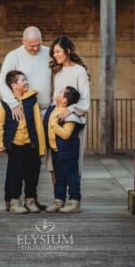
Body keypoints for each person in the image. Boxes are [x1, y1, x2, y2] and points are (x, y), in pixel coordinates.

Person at [0, 26, 51, 211]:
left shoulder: (49, 53)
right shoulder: (13, 56)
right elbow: (2, 83)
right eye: (31, 46)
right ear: (23, 41)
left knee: (34, 165)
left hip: (43, 110)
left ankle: (31, 198)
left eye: (38, 45)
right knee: (16, 168)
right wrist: (13, 103)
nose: (36, 49)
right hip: (21, 110)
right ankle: (13, 199)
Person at [0, 70, 46, 214]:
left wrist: (41, 146)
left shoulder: (32, 100)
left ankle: (30, 200)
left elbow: (37, 123)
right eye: (22, 80)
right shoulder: (6, 102)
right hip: (15, 145)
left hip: (31, 144)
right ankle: (14, 201)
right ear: (14, 85)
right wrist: (0, 141)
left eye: (26, 79)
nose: (26, 82)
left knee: (32, 173)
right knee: (15, 174)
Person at [48, 35, 90, 179]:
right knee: (53, 162)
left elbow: (85, 101)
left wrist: (69, 111)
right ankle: (59, 199)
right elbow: (53, 97)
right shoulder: (55, 71)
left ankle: (74, 198)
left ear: (68, 51)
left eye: (58, 51)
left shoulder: (79, 71)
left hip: (74, 120)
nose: (55, 55)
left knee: (74, 160)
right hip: (56, 119)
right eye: (54, 52)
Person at [44, 86, 85, 213]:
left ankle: (74, 202)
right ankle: (59, 200)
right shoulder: (52, 109)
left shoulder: (70, 115)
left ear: (65, 100)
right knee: (59, 177)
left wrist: (54, 125)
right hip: (55, 151)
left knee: (71, 176)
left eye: (61, 92)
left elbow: (66, 134)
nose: (58, 92)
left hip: (68, 152)